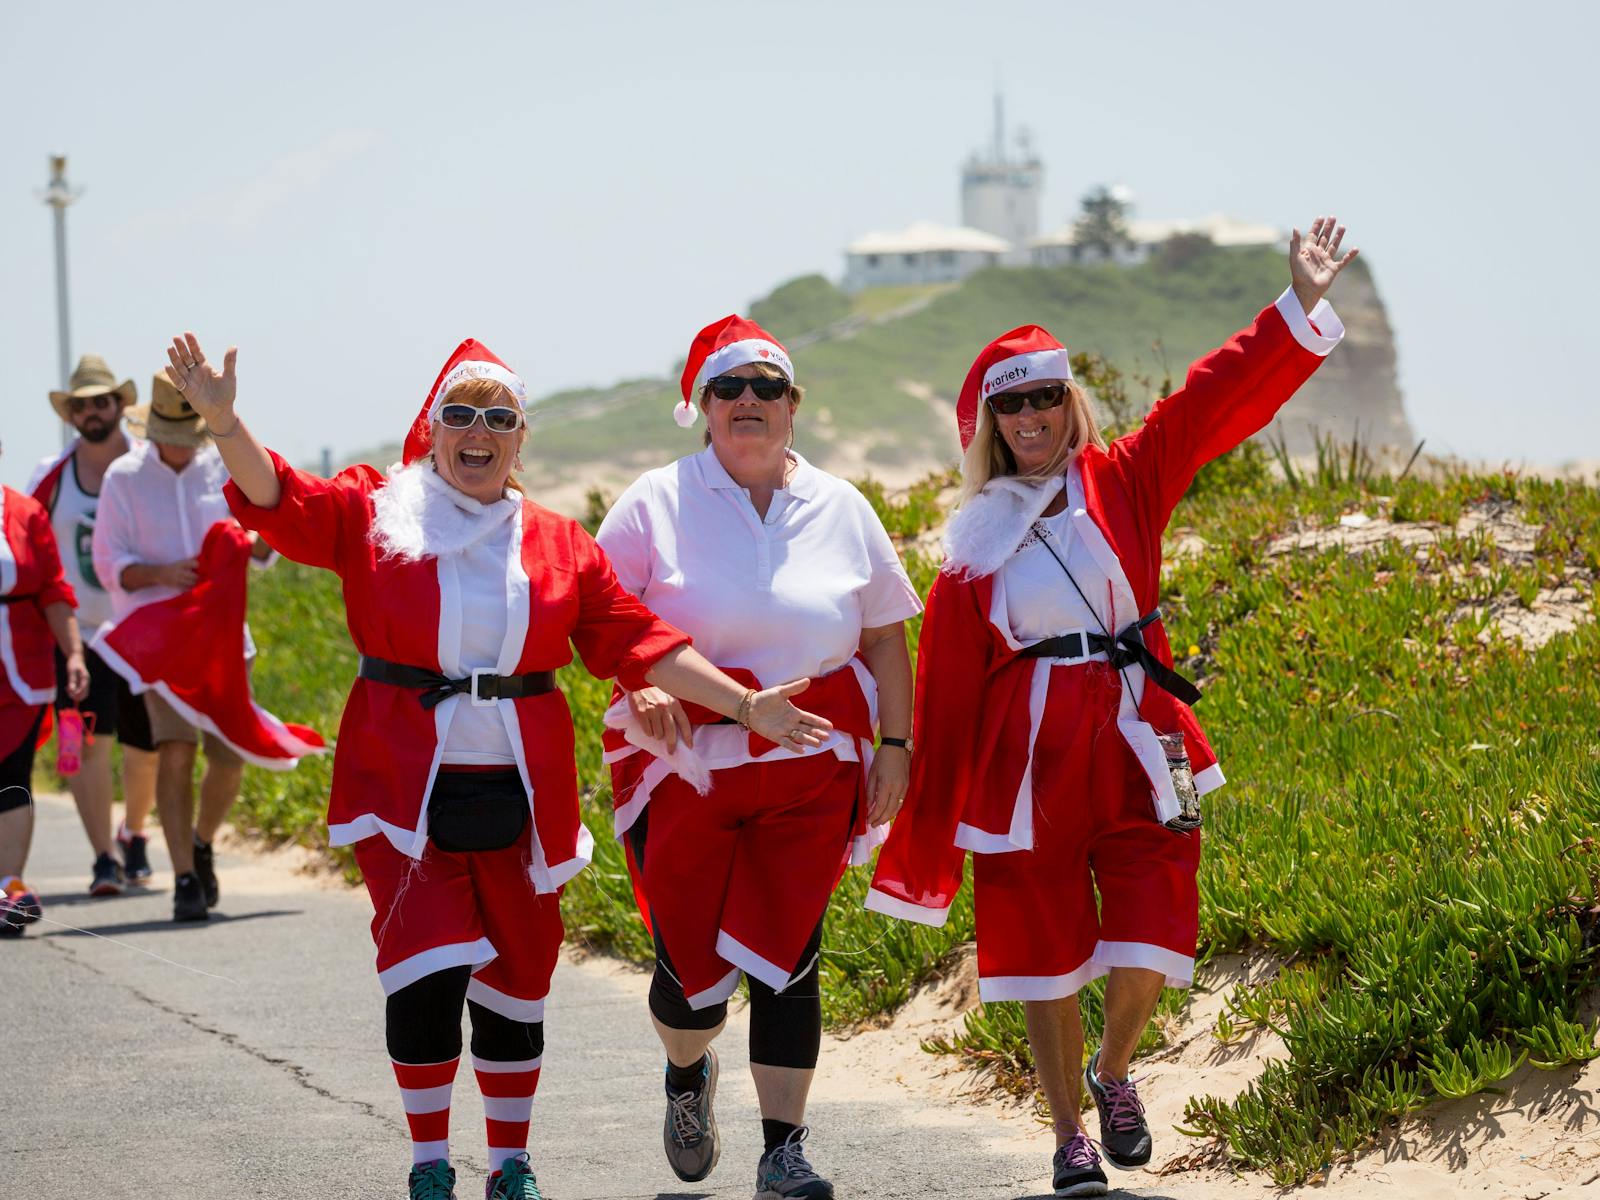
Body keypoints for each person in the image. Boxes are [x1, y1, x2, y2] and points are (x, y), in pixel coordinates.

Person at [169, 330, 836, 1200]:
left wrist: (746, 706)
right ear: (433, 427)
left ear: (520, 440)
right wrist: (224, 422)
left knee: (518, 980)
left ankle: (513, 1164)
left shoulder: (560, 543)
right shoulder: (379, 513)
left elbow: (640, 642)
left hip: (524, 794)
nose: (476, 431)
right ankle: (429, 1166)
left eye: (498, 417)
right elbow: (280, 501)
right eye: (460, 413)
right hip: (403, 787)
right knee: (427, 967)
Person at [867, 218, 1358, 1196]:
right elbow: (950, 690)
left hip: (1142, 737)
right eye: (1014, 405)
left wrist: (1297, 305)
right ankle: (1066, 1136)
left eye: (1048, 395)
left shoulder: (1129, 473)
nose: (1035, 416)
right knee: (1040, 954)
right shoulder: (969, 553)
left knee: (1157, 920)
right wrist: (912, 785)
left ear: (1070, 402)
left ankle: (1113, 1072)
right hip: (1025, 771)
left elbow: (1215, 400)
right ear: (990, 424)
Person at [596, 315, 921, 1200]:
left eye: (766, 388)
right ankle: (685, 1072)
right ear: (700, 405)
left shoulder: (843, 506)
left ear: (793, 405)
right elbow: (601, 614)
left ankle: (784, 1151)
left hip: (811, 764)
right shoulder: (654, 500)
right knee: (690, 985)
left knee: (791, 955)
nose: (748, 402)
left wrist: (896, 745)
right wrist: (646, 677)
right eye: (728, 389)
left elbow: (887, 639)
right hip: (687, 760)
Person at [91, 374, 275, 922]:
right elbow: (108, 564)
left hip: (222, 638)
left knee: (229, 756)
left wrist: (266, 537)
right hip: (158, 643)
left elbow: (260, 546)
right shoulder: (123, 478)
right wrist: (160, 573)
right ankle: (185, 879)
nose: (186, 443)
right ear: (153, 430)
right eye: (175, 432)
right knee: (175, 750)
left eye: (191, 432)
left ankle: (200, 841)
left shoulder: (222, 465)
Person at [30, 355, 159, 893]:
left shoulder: (150, 465)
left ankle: (134, 832)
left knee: (146, 745)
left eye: (101, 401)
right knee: (80, 743)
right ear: (72, 414)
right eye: (81, 405)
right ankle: (103, 856)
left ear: (120, 405)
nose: (91, 412)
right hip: (76, 639)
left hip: (143, 632)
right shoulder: (51, 478)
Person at [1, 443, 90, 936]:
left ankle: (10, 885)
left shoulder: (25, 512)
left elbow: (54, 589)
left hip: (22, 668)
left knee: (13, 772)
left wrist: (73, 653)